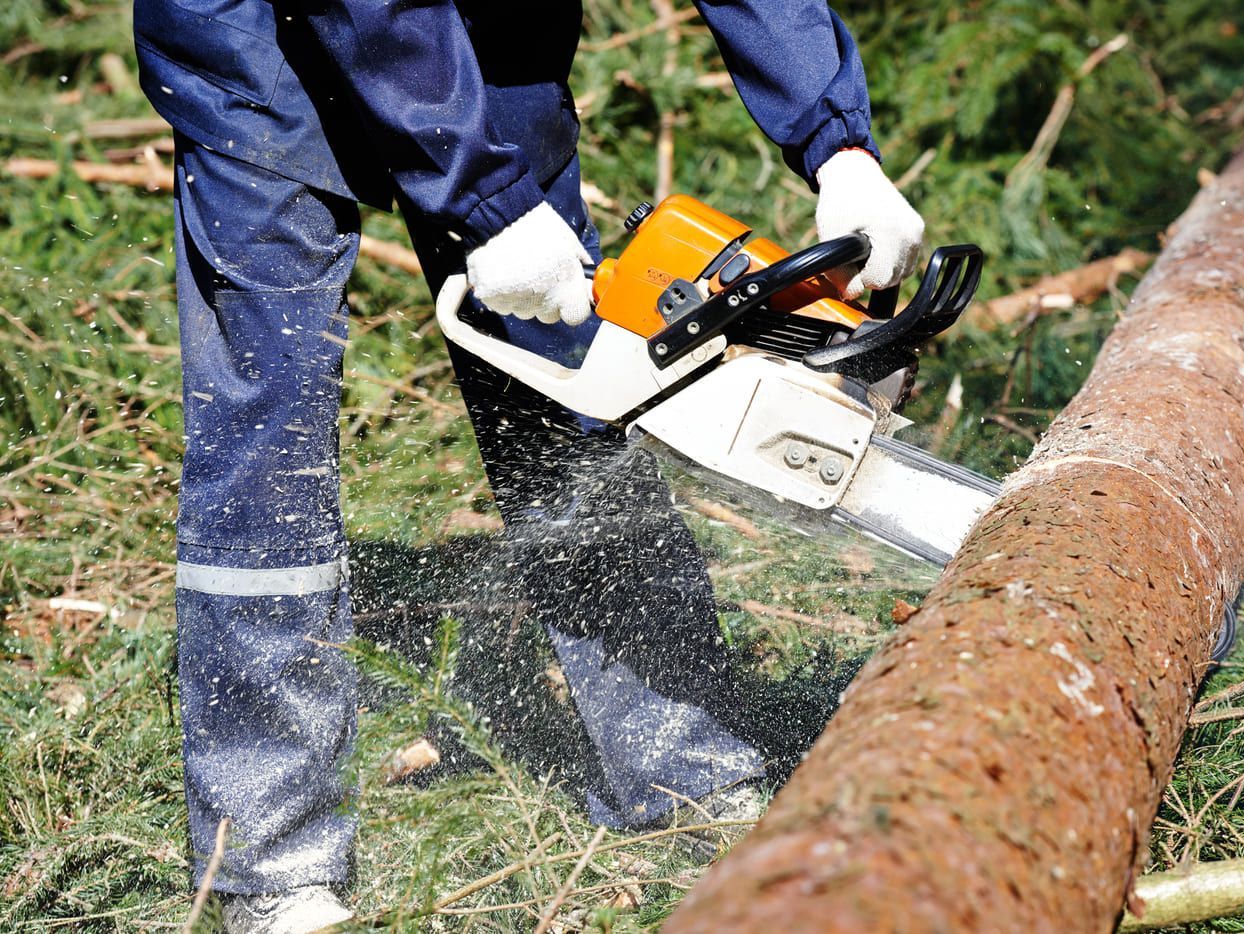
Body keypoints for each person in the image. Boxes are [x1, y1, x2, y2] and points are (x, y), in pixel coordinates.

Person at [132, 1, 925, 930]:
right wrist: (483, 197)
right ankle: (269, 865)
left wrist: (838, 144)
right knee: (269, 431)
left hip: (493, 34)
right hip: (256, 47)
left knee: (576, 393)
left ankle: (684, 779)